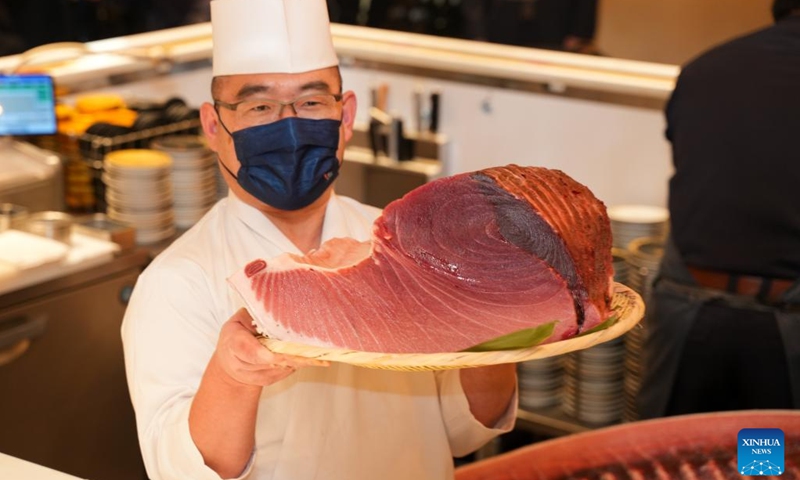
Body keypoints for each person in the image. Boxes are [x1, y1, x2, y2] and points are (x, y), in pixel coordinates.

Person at [121, 0, 518, 478]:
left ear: (346, 116)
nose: (288, 127)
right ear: (213, 125)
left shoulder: (403, 247)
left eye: (311, 102)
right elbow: (179, 471)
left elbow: (464, 432)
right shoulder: (175, 283)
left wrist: (492, 331)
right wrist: (232, 375)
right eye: (259, 106)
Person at [637, 0, 800, 419]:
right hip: (784, 326)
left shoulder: (705, 68)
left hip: (687, 311)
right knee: (763, 461)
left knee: (676, 455)